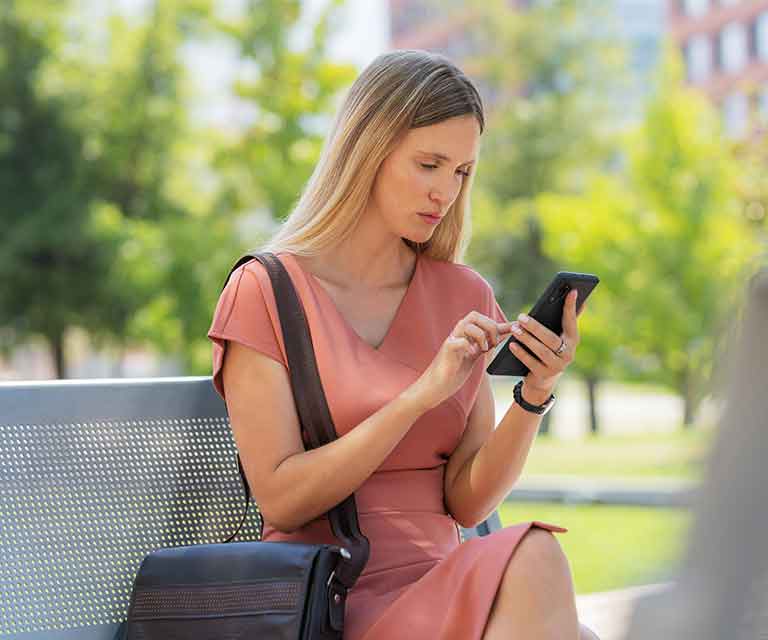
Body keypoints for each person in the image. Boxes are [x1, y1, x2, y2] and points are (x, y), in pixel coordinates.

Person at [207, 49, 596, 640]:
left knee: (538, 564)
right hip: (335, 602)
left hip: (444, 586)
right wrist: (418, 396)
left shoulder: (462, 292)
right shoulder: (265, 291)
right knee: (537, 559)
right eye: (429, 164)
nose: (445, 191)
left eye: (461, 171)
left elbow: (467, 503)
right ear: (368, 149)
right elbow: (282, 500)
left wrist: (534, 394)